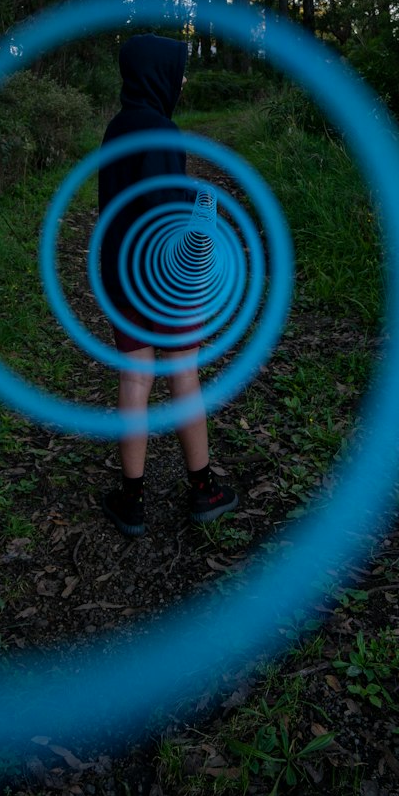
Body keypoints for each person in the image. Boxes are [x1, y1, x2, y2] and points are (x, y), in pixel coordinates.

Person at [96, 33, 238, 537]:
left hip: (120, 276)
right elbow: (166, 215)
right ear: (156, 74)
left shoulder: (116, 129)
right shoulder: (163, 132)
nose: (182, 79)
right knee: (183, 377)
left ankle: (132, 498)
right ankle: (202, 489)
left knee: (134, 381)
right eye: (177, 70)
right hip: (166, 280)